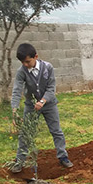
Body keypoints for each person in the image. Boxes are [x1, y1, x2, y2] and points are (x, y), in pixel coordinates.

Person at [9, 43, 73, 173]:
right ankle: (20, 161)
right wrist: (14, 111)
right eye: (22, 62)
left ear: (36, 57)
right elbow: (17, 90)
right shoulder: (21, 71)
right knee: (26, 133)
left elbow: (51, 88)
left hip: (49, 105)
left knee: (56, 131)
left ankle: (63, 157)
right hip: (31, 106)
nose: (25, 64)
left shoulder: (48, 67)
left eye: (28, 61)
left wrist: (43, 101)